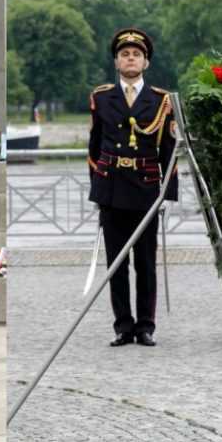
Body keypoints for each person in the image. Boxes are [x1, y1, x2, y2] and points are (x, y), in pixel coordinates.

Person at [87, 28, 178, 347]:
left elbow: (169, 148)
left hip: (145, 188)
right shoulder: (101, 97)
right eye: (124, 54)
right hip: (111, 187)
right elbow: (94, 146)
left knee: (145, 262)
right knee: (116, 263)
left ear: (146, 62)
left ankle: (146, 326)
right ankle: (123, 326)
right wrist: (96, 190)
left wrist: (167, 193)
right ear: (116, 61)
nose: (130, 58)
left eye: (136, 54)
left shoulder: (161, 99)